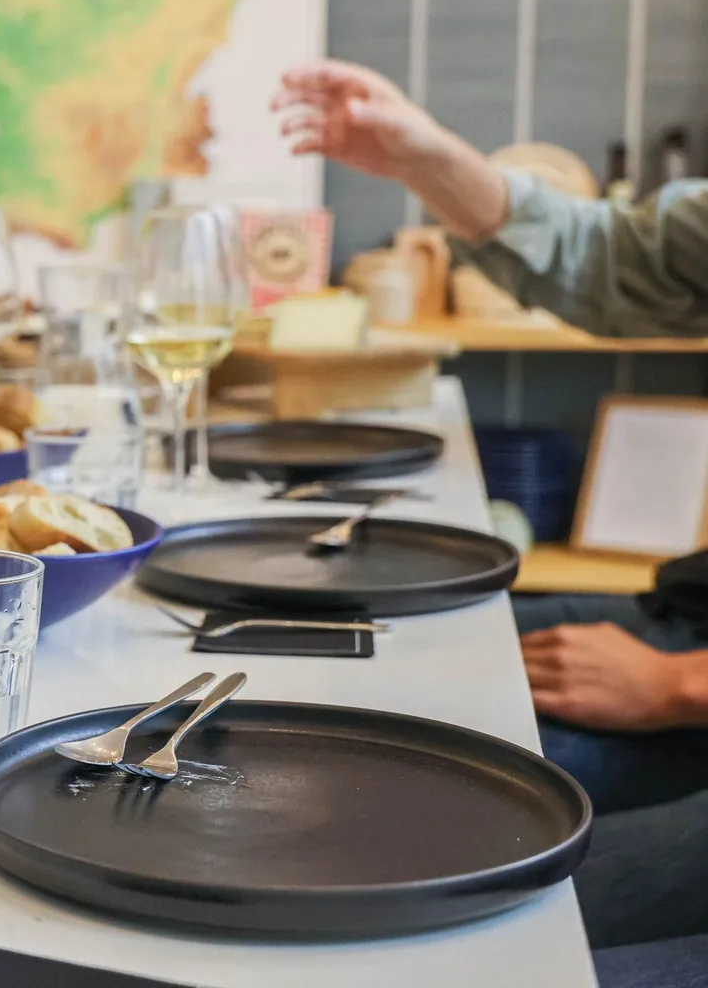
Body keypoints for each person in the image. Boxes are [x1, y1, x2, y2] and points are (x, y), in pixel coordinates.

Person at [275, 57, 708, 948]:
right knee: (367, 704)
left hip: (688, 676)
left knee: (451, 912)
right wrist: (425, 156)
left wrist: (677, 685)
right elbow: (614, 257)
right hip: (688, 619)